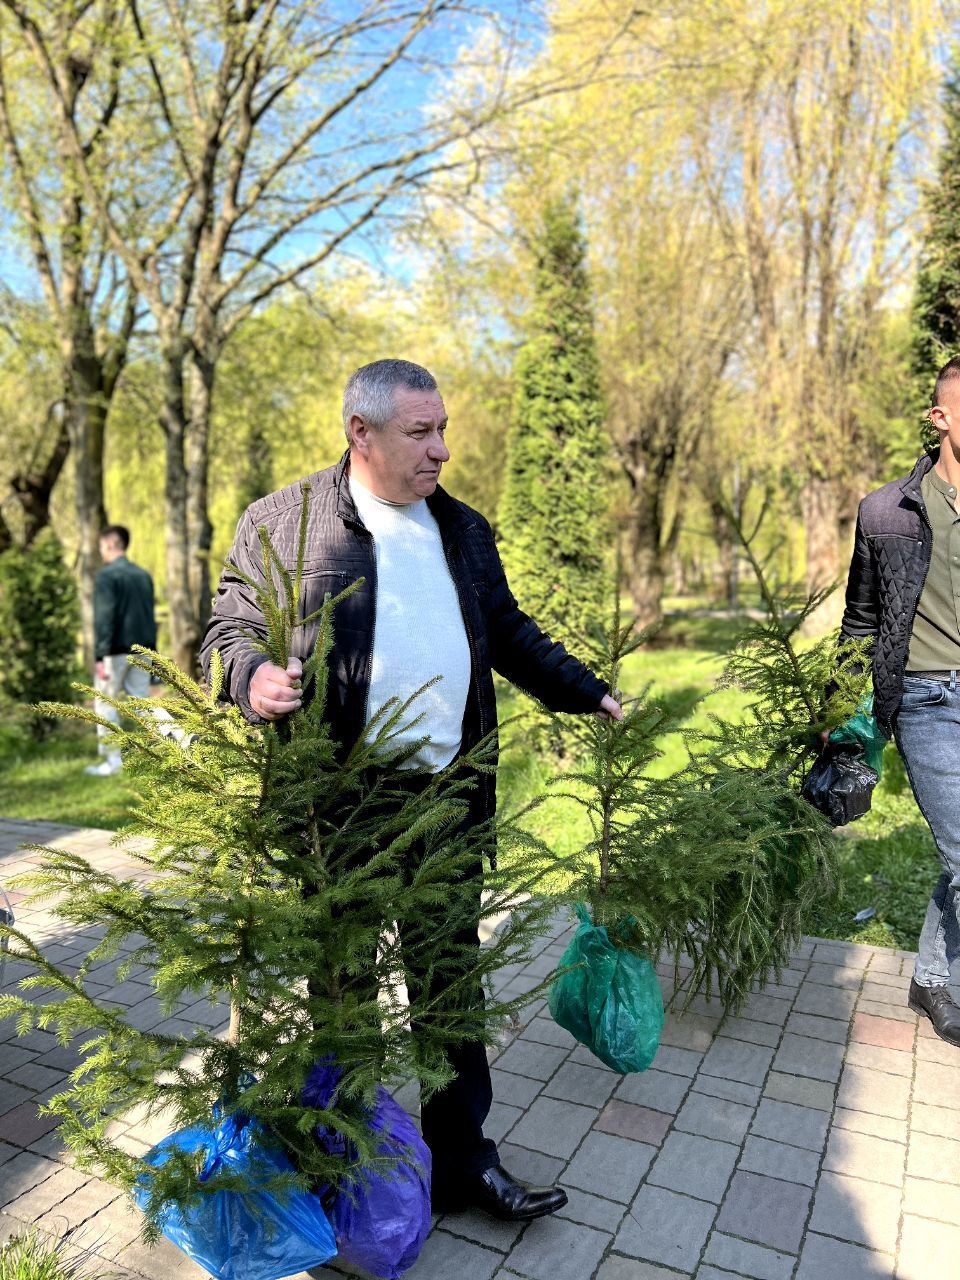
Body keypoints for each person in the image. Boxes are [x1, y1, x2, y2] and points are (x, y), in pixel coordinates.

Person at [200, 358, 622, 1221]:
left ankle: (462, 1164)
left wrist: (586, 690)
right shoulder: (287, 523)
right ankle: (347, 1170)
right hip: (341, 809)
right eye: (420, 432)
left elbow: (507, 630)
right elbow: (228, 627)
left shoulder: (461, 528)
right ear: (361, 432)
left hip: (448, 798)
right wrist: (250, 677)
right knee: (344, 995)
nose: (442, 450)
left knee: (450, 989)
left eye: (443, 430)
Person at [836, 353, 960, 1048]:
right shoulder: (886, 512)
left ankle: (932, 979)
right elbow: (860, 620)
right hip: (924, 701)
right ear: (939, 418)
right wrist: (834, 711)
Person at [85, 525, 157, 777]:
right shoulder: (143, 576)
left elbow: (104, 618)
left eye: (100, 546)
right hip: (144, 649)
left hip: (114, 652)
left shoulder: (106, 576)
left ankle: (112, 761)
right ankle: (171, 746)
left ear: (109, 544)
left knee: (105, 702)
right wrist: (154, 653)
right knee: (141, 704)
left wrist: (99, 655)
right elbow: (149, 617)